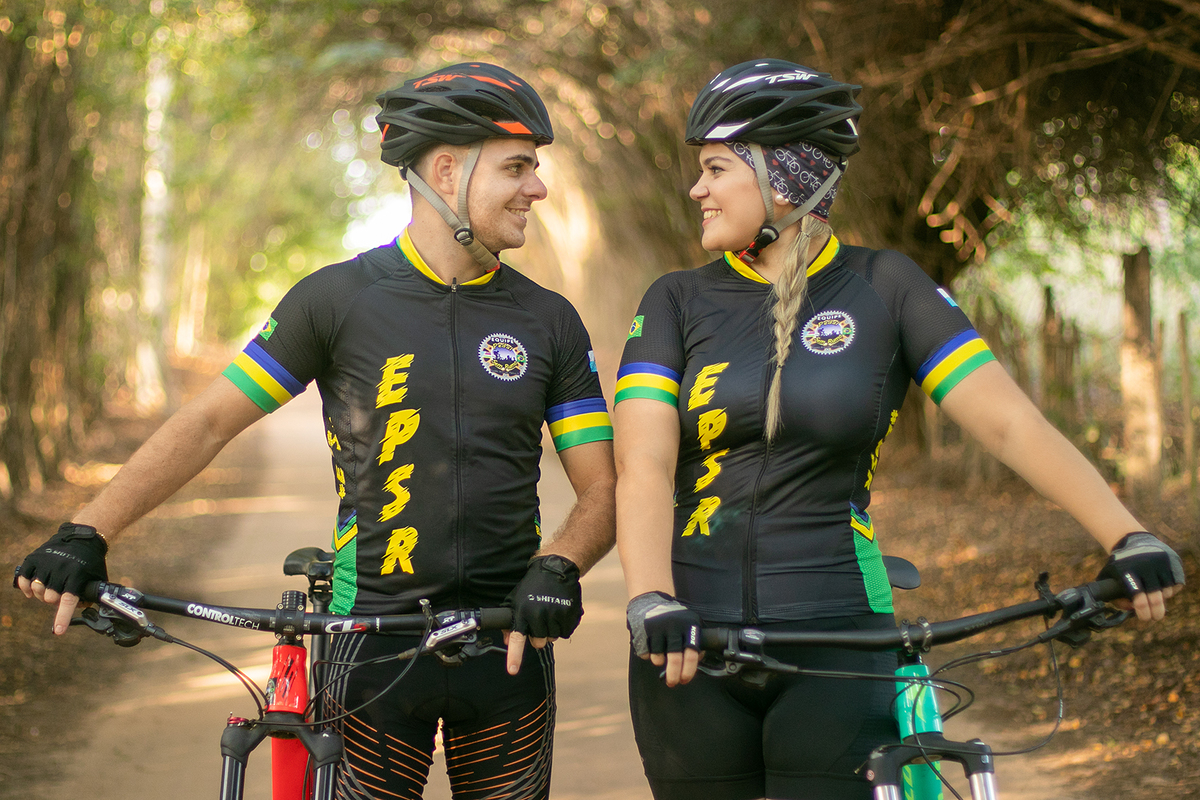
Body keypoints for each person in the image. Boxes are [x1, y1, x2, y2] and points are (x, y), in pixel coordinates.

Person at [15, 62, 616, 800]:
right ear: (449, 168)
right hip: (364, 651)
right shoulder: (334, 301)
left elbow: (603, 488)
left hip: (509, 645)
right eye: (518, 167)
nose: (538, 188)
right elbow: (207, 424)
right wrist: (87, 530)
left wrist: (559, 567)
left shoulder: (548, 320)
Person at [613, 58, 1184, 800]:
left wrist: (1126, 535)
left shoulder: (887, 287)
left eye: (717, 169)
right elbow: (645, 463)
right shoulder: (675, 301)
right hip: (687, 646)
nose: (697, 190)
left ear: (783, 179)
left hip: (839, 642)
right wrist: (653, 599)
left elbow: (1011, 425)